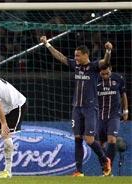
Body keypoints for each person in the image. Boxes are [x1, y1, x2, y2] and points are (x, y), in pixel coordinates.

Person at [40, 35, 112, 176]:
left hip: (90, 108)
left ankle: (105, 160)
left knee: (90, 140)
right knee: (78, 138)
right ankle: (79, 171)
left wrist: (108, 51)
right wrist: (47, 44)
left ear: (86, 55)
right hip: (76, 108)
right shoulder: (76, 66)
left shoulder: (94, 67)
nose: (76, 58)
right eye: (75, 56)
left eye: (78, 56)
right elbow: (60, 57)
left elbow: (105, 62)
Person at [97, 64, 129, 174]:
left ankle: (108, 171)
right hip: (99, 116)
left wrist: (125, 111)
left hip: (114, 115)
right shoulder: (94, 79)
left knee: (111, 140)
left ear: (110, 69)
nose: (105, 75)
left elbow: (123, 95)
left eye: (107, 73)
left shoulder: (118, 78)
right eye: (103, 74)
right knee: (99, 144)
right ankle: (104, 169)